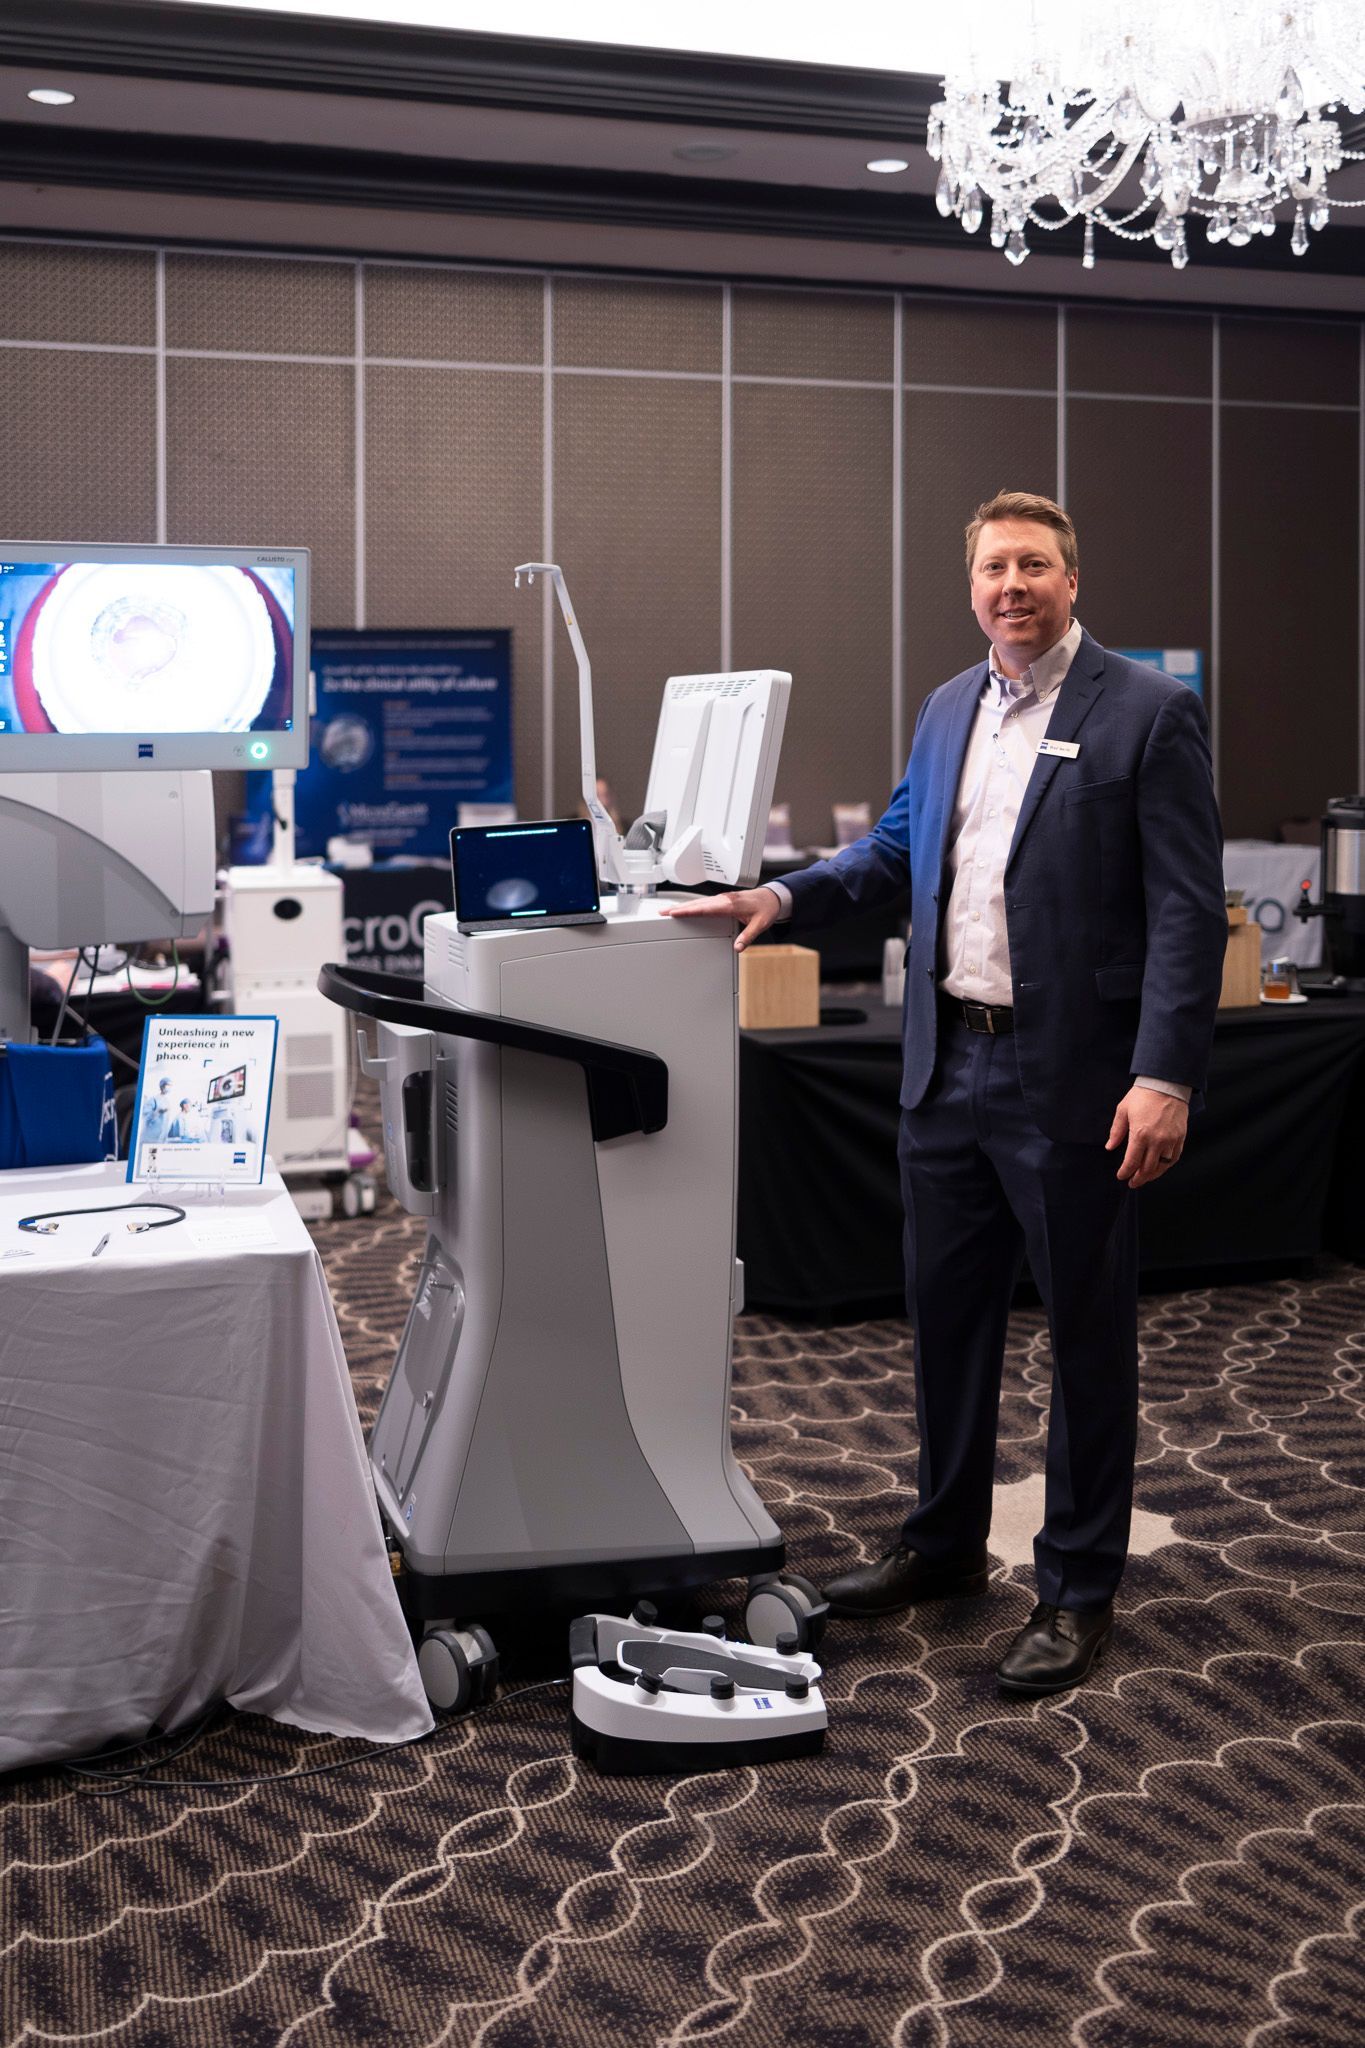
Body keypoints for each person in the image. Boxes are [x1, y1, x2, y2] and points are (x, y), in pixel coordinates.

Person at [665, 490, 1227, 1697]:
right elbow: (893, 854)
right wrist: (777, 900)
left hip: (1073, 1079)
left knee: (1086, 1336)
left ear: (1073, 579)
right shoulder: (947, 708)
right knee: (949, 1321)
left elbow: (1186, 909)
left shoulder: (1148, 712)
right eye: (992, 569)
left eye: (1033, 565)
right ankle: (943, 1543)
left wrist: (1166, 1070)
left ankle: (1077, 1585)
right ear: (970, 587)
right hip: (944, 1068)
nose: (1010, 585)